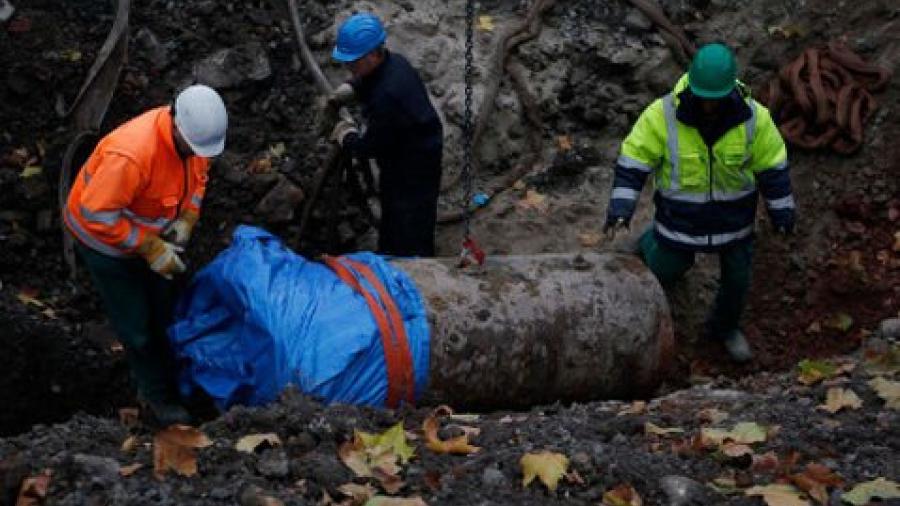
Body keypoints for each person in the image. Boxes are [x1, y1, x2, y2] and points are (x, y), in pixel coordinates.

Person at [603, 43, 795, 363]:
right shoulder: (662, 115)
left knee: (737, 281)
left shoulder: (755, 120)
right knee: (666, 268)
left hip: (734, 224)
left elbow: (773, 168)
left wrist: (782, 210)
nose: (708, 105)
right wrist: (621, 208)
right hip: (681, 222)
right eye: (704, 96)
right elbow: (633, 162)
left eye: (715, 98)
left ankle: (725, 328)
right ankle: (648, 245)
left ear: (731, 89)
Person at [64, 85, 228, 425]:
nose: (200, 154)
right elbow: (97, 214)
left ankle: (181, 376)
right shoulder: (132, 155)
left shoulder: (195, 142)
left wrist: (188, 217)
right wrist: (150, 246)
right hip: (103, 244)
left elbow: (198, 178)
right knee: (137, 326)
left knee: (166, 309)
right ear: (175, 124)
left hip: (148, 231)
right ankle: (155, 396)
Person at [328, 12, 444, 257]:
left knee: (409, 224)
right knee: (395, 214)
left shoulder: (388, 96)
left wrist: (346, 135)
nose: (348, 66)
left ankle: (415, 266)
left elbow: (368, 147)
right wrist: (352, 87)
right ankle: (393, 249)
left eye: (353, 61)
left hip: (413, 165)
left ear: (372, 54)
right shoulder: (394, 62)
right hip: (411, 149)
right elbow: (371, 81)